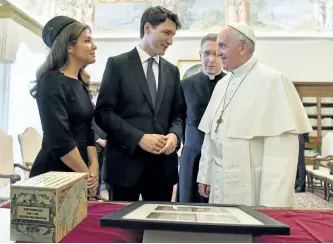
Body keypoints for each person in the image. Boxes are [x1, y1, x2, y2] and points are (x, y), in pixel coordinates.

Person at [197, 22, 312, 207]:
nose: (218, 52)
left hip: (253, 186)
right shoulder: (222, 84)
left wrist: (275, 203)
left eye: (223, 45)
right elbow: (211, 135)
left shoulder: (273, 81)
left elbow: (282, 153)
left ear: (242, 47)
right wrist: (205, 174)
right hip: (220, 181)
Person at [95, 6, 184, 202]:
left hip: (162, 169)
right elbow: (104, 113)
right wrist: (139, 138)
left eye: (173, 35)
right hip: (124, 167)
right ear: (147, 28)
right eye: (166, 33)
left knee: (159, 231)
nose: (170, 41)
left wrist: (174, 136)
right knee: (122, 230)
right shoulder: (117, 65)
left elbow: (178, 114)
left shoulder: (172, 71)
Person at [29, 16, 99, 194]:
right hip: (55, 173)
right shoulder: (51, 81)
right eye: (87, 41)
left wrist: (94, 167)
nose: (94, 46)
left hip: (79, 170)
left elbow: (88, 130)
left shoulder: (80, 82)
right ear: (69, 47)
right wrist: (85, 174)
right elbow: (59, 138)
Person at [178, 33, 225, 203]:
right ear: (200, 55)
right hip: (192, 155)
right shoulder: (185, 85)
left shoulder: (230, 83)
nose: (211, 59)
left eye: (216, 54)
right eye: (207, 53)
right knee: (188, 207)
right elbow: (179, 120)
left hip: (221, 157)